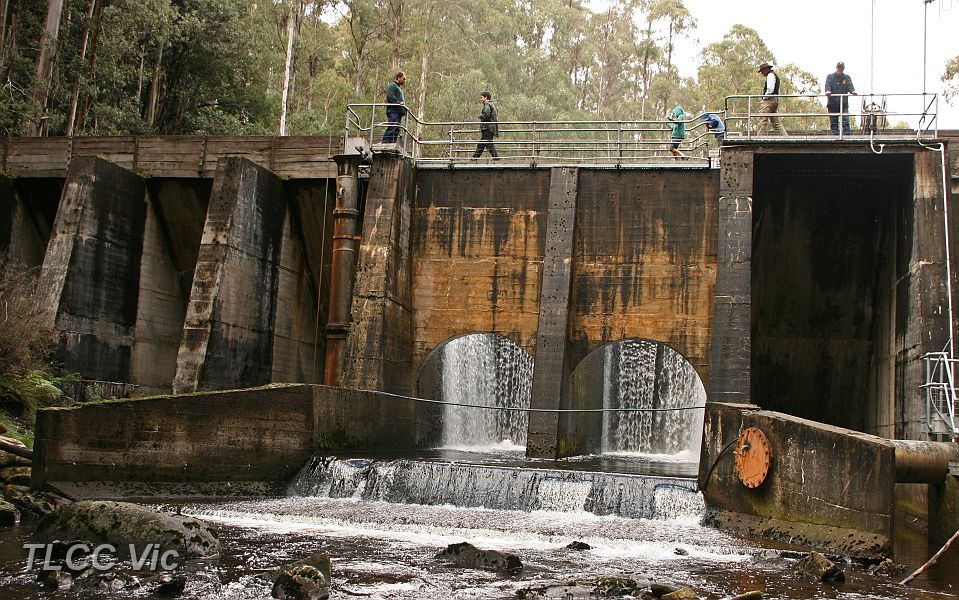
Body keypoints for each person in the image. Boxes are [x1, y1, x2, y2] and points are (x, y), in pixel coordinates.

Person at [825, 61, 856, 135]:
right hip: (832, 103)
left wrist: (852, 91)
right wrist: (828, 91)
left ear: (843, 69)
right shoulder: (830, 77)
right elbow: (827, 85)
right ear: (836, 68)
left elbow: (850, 86)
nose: (840, 69)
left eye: (841, 68)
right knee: (833, 121)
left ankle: (847, 136)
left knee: (845, 120)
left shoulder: (846, 77)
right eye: (839, 68)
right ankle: (835, 136)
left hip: (843, 103)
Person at [756, 62, 787, 136]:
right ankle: (785, 137)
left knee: (763, 120)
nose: (762, 73)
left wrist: (764, 98)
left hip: (769, 100)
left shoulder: (770, 75)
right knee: (776, 122)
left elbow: (770, 89)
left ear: (766, 69)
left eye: (762, 71)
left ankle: (758, 138)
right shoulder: (775, 76)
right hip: (775, 100)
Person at [381, 71, 407, 144]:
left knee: (397, 129)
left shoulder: (398, 87)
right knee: (392, 126)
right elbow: (390, 96)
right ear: (398, 77)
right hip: (393, 111)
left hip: (398, 112)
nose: (404, 81)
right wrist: (398, 103)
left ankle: (392, 143)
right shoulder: (393, 85)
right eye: (403, 79)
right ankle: (384, 142)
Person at [472, 91, 499, 159]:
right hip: (490, 127)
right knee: (483, 143)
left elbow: (486, 114)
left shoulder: (487, 105)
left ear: (486, 97)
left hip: (488, 128)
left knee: (487, 143)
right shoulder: (491, 104)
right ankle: (475, 157)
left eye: (482, 97)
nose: (481, 99)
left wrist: (480, 116)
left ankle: (496, 157)